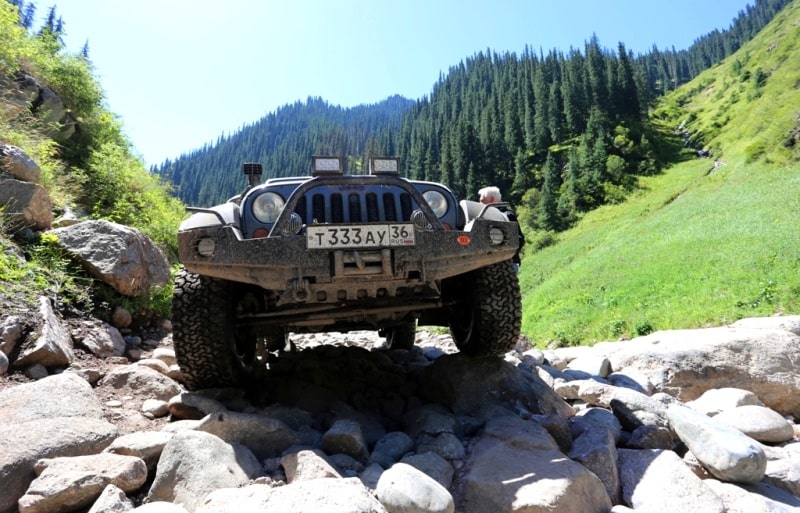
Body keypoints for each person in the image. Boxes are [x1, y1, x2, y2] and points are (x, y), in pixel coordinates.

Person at [478, 186, 524, 271]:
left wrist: (506, 257)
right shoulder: (485, 218)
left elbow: (519, 239)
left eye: (482, 200)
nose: (479, 203)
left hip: (507, 264)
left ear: (491, 199)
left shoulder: (506, 216)